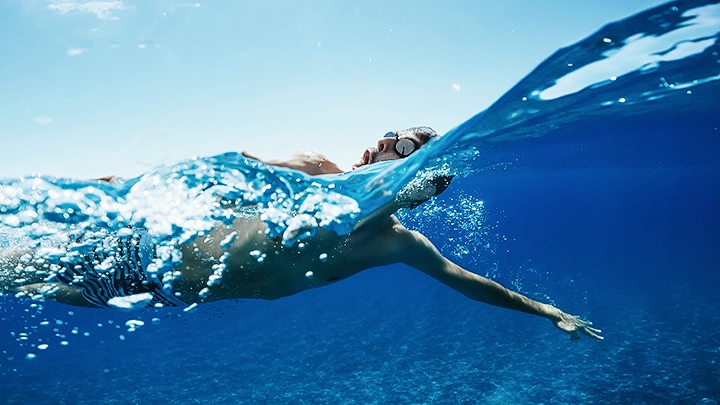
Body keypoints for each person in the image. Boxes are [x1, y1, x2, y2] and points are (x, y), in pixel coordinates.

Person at [0, 127, 602, 340]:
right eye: (395, 153)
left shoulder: (397, 242)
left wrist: (546, 309)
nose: (401, 169)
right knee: (15, 266)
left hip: (155, 291)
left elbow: (467, 282)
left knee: (22, 285)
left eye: (418, 166)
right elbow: (225, 168)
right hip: (139, 248)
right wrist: (115, 186)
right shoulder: (315, 170)